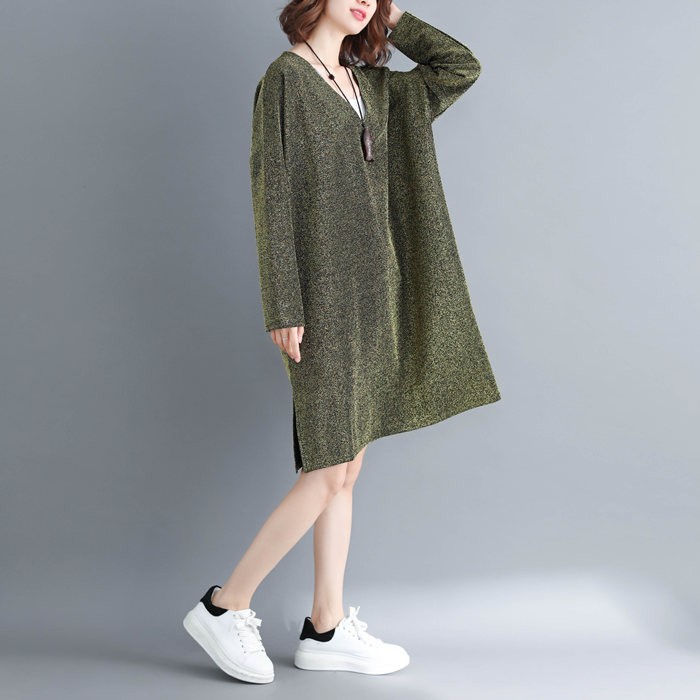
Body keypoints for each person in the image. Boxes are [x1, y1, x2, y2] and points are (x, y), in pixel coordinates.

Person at [183, 0, 501, 684]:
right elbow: (272, 192)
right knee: (327, 466)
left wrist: (398, 17)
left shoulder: (374, 88)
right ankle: (223, 605)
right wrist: (283, 301)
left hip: (375, 297)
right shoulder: (286, 80)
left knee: (348, 467)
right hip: (320, 302)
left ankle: (325, 626)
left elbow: (460, 66)